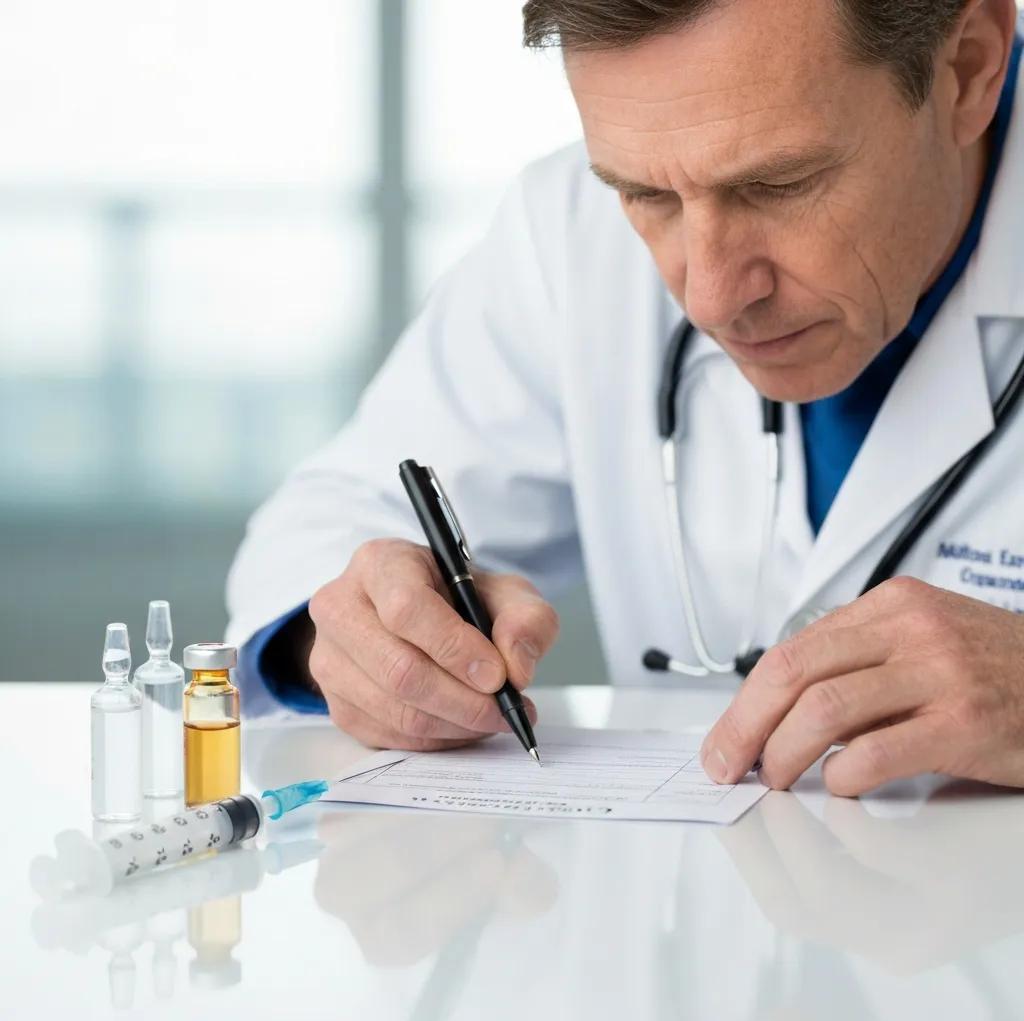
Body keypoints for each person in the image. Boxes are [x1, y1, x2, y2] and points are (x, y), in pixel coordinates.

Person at [226, 0, 1024, 797]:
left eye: (778, 185)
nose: (710, 298)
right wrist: (363, 640)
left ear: (969, 68)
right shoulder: (567, 231)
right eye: (646, 196)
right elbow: (327, 527)